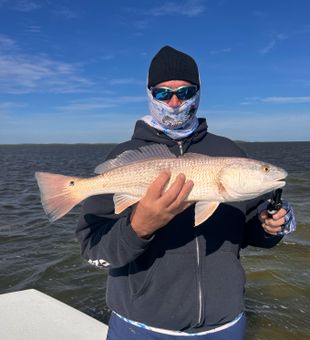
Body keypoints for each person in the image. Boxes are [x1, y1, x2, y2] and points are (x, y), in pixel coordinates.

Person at [76, 46, 296, 339]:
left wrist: (269, 227)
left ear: (199, 92)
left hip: (225, 325)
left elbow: (249, 231)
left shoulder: (228, 151)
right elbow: (93, 249)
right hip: (141, 326)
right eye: (164, 93)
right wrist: (138, 227)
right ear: (149, 93)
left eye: (186, 91)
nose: (176, 101)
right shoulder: (126, 154)